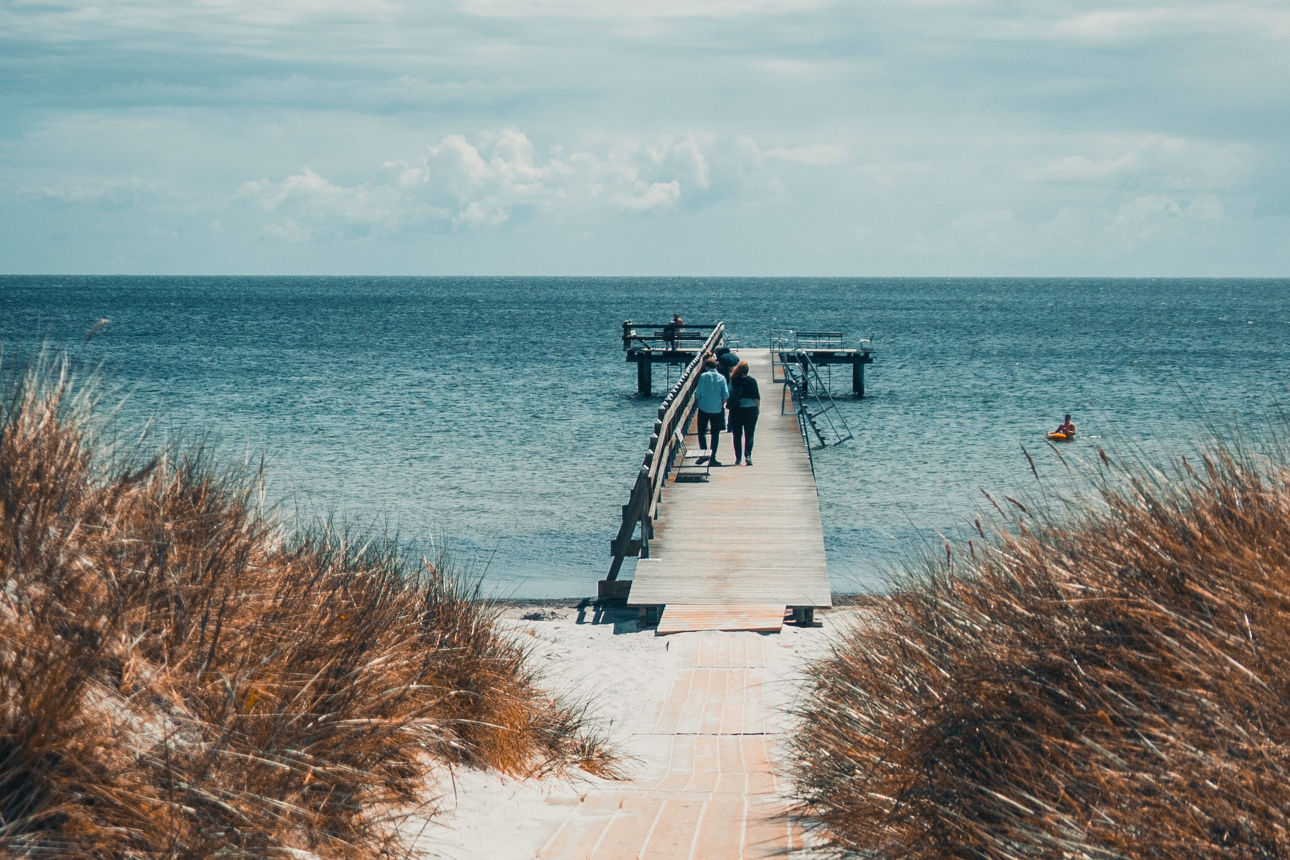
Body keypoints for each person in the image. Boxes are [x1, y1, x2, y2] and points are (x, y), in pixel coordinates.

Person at [694, 356, 728, 465]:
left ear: (706, 367)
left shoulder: (703, 376)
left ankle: (704, 454)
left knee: (701, 432)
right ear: (716, 366)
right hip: (717, 409)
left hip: (704, 407)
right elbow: (726, 395)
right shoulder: (722, 378)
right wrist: (720, 405)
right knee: (715, 433)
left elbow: (698, 393)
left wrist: (699, 405)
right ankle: (713, 458)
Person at [727, 360, 761, 465]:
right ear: (747, 371)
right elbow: (757, 398)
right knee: (749, 434)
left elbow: (729, 393)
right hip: (750, 410)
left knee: (737, 435)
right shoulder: (752, 381)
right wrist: (757, 409)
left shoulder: (733, 380)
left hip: (736, 410)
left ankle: (738, 458)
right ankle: (748, 456)